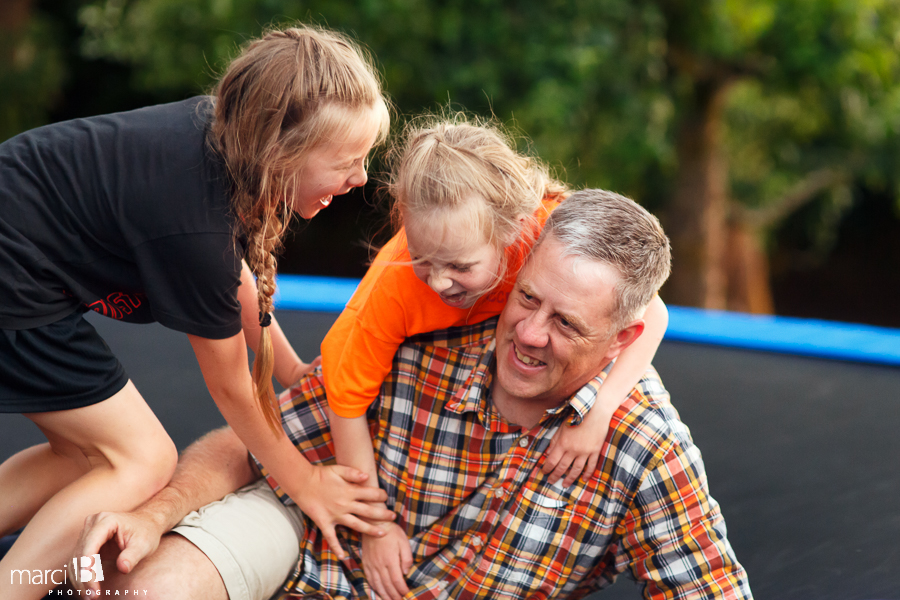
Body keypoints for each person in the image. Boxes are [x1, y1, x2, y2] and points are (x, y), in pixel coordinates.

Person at [74, 189, 753, 600]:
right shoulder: (419, 342)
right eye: (527, 299)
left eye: (567, 324)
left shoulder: (640, 443)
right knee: (150, 587)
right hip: (308, 569)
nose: (529, 334)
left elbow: (708, 587)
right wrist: (157, 514)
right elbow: (252, 446)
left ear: (622, 337)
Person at [0, 25, 395, 599]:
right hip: (13, 271)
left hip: (17, 247)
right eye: (349, 161)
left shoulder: (230, 135)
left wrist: (292, 371)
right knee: (143, 460)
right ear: (281, 154)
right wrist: (306, 482)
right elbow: (232, 389)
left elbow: (239, 283)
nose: (359, 178)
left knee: (89, 463)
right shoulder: (196, 223)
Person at [322, 118, 669, 586]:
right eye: (423, 257)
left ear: (513, 231)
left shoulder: (547, 232)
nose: (440, 281)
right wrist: (377, 527)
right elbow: (345, 400)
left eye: (461, 265)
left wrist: (600, 412)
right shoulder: (395, 288)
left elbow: (651, 313)